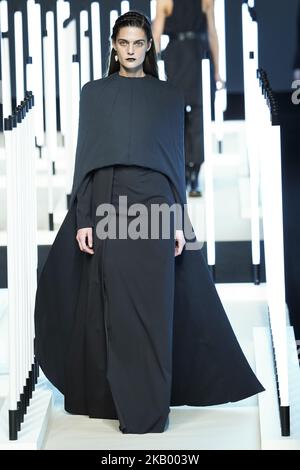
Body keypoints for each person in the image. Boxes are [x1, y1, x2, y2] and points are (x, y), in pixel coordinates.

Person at [34, 10, 264, 436]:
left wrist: (178, 219)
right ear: (114, 46)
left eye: (139, 43)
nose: (131, 51)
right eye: (124, 43)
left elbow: (174, 163)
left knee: (156, 307)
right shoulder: (95, 94)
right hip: (110, 204)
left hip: (156, 209)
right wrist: (83, 217)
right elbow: (86, 162)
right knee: (118, 309)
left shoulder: (167, 96)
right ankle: (126, 405)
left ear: (149, 46)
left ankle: (152, 410)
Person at [152, 0, 224, 197]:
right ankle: (191, 172)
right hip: (196, 54)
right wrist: (217, 69)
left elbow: (156, 36)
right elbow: (212, 32)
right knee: (192, 115)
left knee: (183, 115)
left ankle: (187, 171)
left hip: (181, 57)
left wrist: (217, 70)